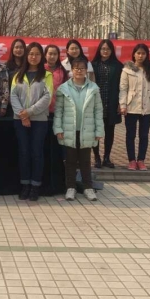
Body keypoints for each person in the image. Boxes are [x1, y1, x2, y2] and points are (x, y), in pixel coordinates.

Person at [54, 57, 104, 202]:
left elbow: (98, 111)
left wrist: (99, 131)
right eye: (76, 68)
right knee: (70, 160)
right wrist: (58, 128)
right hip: (69, 130)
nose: (79, 71)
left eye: (82, 68)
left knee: (85, 160)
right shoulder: (64, 88)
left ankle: (88, 187)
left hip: (87, 130)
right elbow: (59, 111)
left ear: (86, 70)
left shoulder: (93, 88)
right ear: (72, 70)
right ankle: (70, 187)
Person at [11, 42, 52, 202]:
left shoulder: (47, 75)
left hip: (39, 121)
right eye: (31, 54)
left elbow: (47, 98)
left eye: (37, 54)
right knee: (24, 152)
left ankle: (35, 186)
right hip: (20, 120)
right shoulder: (18, 75)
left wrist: (29, 112)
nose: (33, 57)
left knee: (36, 153)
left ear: (41, 56)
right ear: (26, 56)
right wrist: (23, 115)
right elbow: (13, 95)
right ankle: (25, 185)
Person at [119, 43, 150, 171]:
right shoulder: (127, 70)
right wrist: (123, 105)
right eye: (138, 53)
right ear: (134, 54)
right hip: (131, 107)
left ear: (147, 55)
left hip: (147, 107)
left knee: (144, 135)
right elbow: (123, 89)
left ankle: (141, 160)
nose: (140, 56)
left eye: (143, 53)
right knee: (130, 135)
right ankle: (132, 161)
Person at [91, 39, 124, 169]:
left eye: (108, 49)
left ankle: (107, 157)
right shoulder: (93, 65)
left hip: (111, 102)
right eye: (103, 49)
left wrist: (121, 103)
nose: (105, 51)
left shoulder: (118, 66)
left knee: (109, 132)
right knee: (95, 132)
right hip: (96, 103)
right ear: (99, 50)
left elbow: (122, 86)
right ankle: (97, 158)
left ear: (112, 51)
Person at [44, 44, 68, 186]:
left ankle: (60, 179)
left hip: (58, 113)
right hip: (42, 113)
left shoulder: (62, 71)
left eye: (54, 54)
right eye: (50, 53)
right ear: (45, 55)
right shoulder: (40, 70)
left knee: (58, 146)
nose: (52, 56)